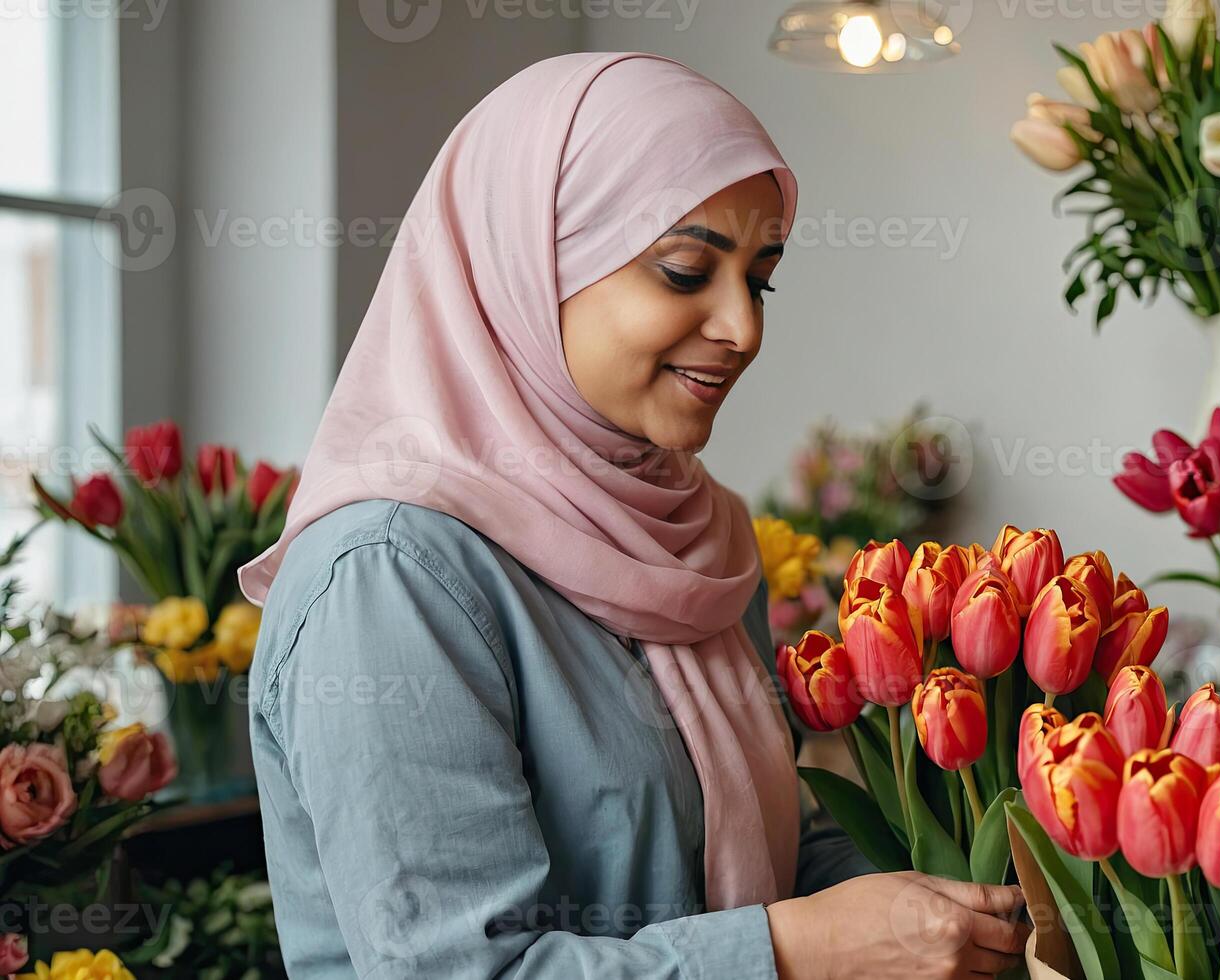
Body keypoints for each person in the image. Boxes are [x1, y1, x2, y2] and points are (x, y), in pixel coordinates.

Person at [237, 52, 1026, 978]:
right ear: (527, 265)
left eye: (761, 279)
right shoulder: (391, 579)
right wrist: (790, 954)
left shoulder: (701, 538)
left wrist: (992, 885)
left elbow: (761, 859)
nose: (745, 327)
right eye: (687, 271)